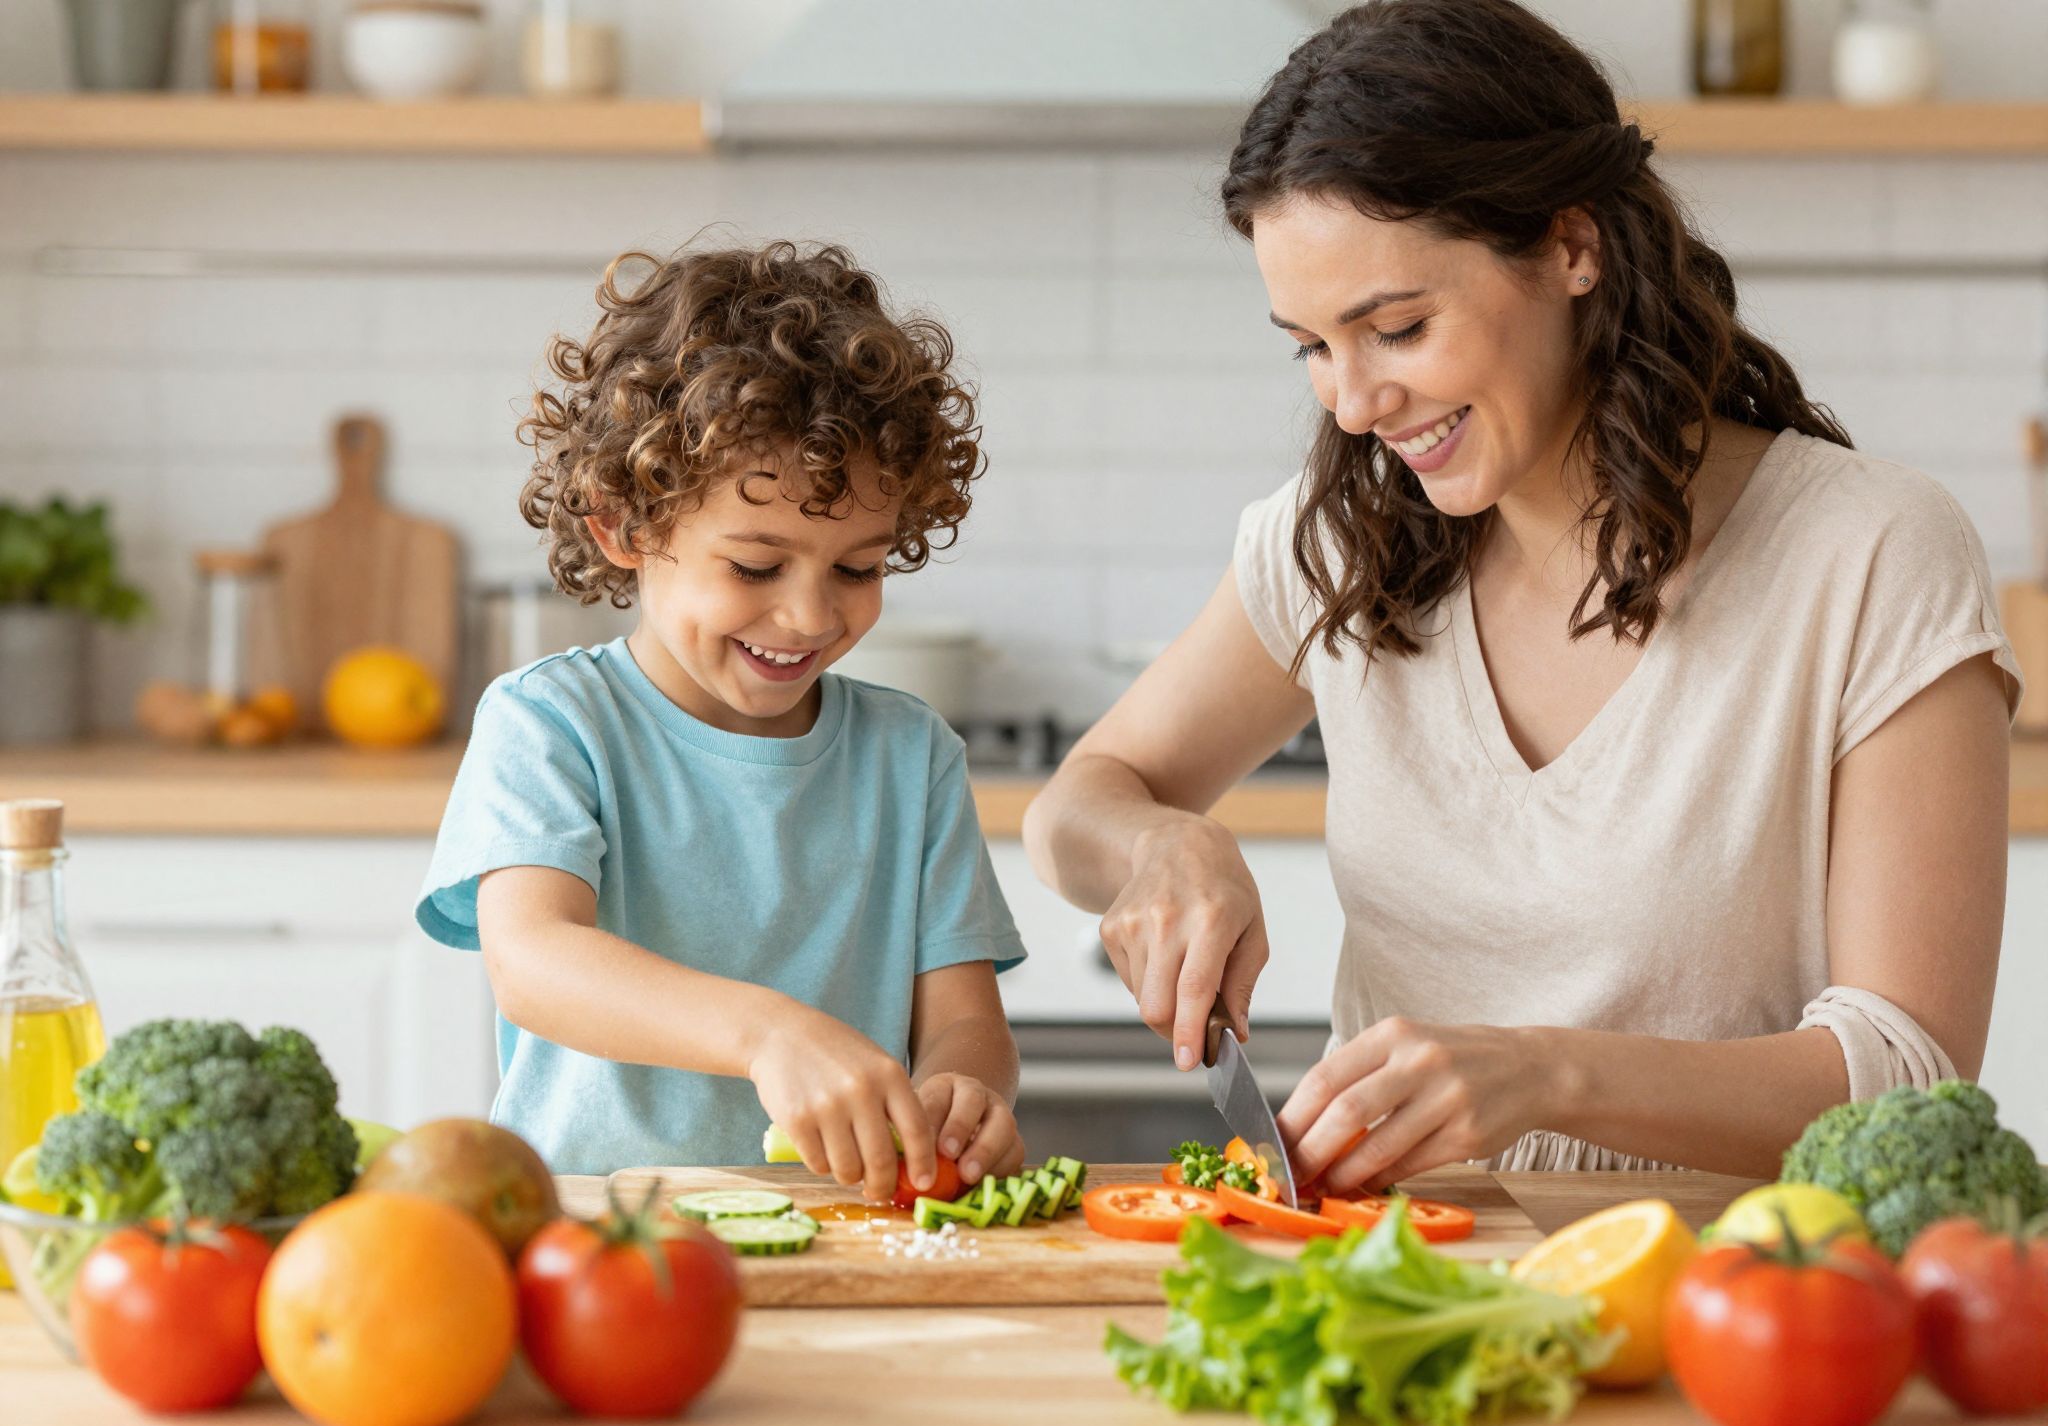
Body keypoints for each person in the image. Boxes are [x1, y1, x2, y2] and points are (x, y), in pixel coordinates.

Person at [1023, 0, 2020, 1190]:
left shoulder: (1868, 554)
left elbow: (1908, 1071)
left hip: (1724, 1309)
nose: (1349, 403)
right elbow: (1073, 808)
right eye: (1308, 345)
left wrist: (1541, 1077)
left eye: (1393, 327)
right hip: (1393, 1284)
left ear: (1568, 248)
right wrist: (1159, 846)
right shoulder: (1334, 541)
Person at [417, 241, 1026, 1197]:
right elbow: (533, 961)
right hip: (599, 1230)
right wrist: (767, 1032)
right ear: (625, 525)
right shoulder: (551, 722)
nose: (811, 616)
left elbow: (963, 1020)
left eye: (858, 569)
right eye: (755, 566)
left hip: (846, 1230)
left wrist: (964, 1088)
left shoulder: (913, 757)